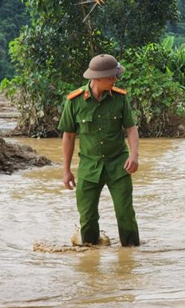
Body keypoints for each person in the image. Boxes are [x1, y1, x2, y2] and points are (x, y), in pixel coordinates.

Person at [58, 54, 140, 246]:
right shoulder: (75, 101)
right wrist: (66, 170)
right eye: (112, 76)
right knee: (87, 217)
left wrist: (134, 156)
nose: (115, 79)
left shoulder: (120, 99)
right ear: (97, 78)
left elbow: (131, 129)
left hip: (119, 165)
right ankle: (90, 259)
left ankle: (131, 258)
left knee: (125, 213)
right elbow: (68, 136)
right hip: (89, 167)